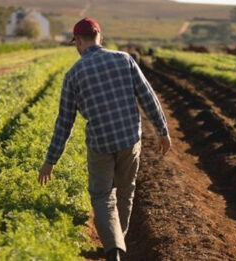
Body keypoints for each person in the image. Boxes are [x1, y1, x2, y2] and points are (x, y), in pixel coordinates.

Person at [37, 18, 171, 261]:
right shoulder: (124, 59)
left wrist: (50, 160)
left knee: (101, 196)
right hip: (129, 139)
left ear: (77, 41)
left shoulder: (73, 75)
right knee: (126, 191)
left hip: (100, 143)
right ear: (100, 35)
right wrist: (162, 130)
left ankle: (113, 249)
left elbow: (64, 123)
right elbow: (147, 96)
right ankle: (118, 241)